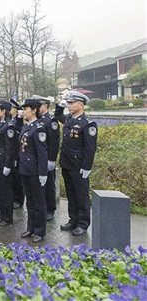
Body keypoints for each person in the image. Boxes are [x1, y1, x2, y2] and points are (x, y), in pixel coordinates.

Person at [55, 91, 98, 236]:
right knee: (71, 193)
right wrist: (59, 106)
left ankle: (83, 223)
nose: (69, 105)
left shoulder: (88, 124)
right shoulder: (69, 119)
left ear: (81, 105)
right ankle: (73, 219)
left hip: (78, 165)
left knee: (81, 195)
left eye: (72, 103)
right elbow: (57, 116)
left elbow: (90, 148)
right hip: (66, 163)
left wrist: (87, 167)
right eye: (68, 103)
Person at [18, 99, 48, 243]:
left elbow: (42, 153)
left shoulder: (39, 128)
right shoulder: (26, 127)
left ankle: (39, 231)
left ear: (34, 110)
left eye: (26, 109)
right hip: (25, 168)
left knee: (38, 201)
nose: (23, 111)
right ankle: (30, 227)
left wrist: (43, 173)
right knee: (29, 200)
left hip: (35, 170)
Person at [33, 95, 60, 221]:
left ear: (44, 106)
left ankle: (50, 209)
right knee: (40, 185)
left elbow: (54, 142)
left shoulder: (51, 121)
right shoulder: (39, 120)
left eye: (38, 106)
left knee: (49, 184)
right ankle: (42, 207)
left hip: (47, 157)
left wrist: (51, 159)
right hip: (38, 158)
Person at [0, 100, 17, 226]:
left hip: (4, 163)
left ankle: (8, 217)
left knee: (6, 191)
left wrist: (8, 165)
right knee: (0, 190)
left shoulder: (9, 126)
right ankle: (2, 214)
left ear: (4, 111)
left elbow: (10, 148)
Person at [9, 98, 24, 209]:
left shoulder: (18, 120)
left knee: (17, 178)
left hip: (16, 151)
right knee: (12, 177)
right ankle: (13, 197)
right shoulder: (11, 120)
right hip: (11, 151)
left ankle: (19, 200)